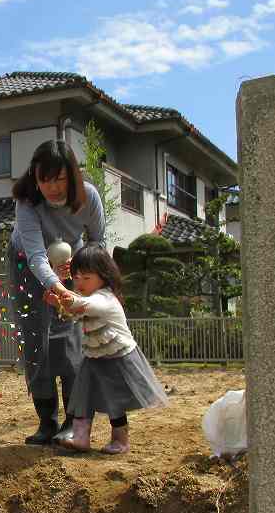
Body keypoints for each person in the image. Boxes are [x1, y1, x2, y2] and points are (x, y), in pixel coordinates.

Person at [9, 139, 106, 445]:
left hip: (70, 263)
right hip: (27, 264)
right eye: (44, 180)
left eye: (59, 179)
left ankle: (72, 420)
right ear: (34, 179)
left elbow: (97, 240)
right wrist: (55, 286)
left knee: (67, 340)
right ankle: (46, 420)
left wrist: (79, 275)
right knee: (35, 339)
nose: (52, 187)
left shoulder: (88, 196)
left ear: (72, 175)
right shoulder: (27, 203)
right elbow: (37, 256)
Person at [50, 245, 168, 453]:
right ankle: (80, 438)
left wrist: (64, 296)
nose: (80, 283)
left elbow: (90, 306)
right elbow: (75, 314)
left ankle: (120, 441)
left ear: (103, 276)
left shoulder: (106, 298)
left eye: (86, 278)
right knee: (82, 397)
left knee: (115, 401)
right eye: (76, 278)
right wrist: (59, 304)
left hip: (118, 357)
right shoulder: (85, 298)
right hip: (93, 357)